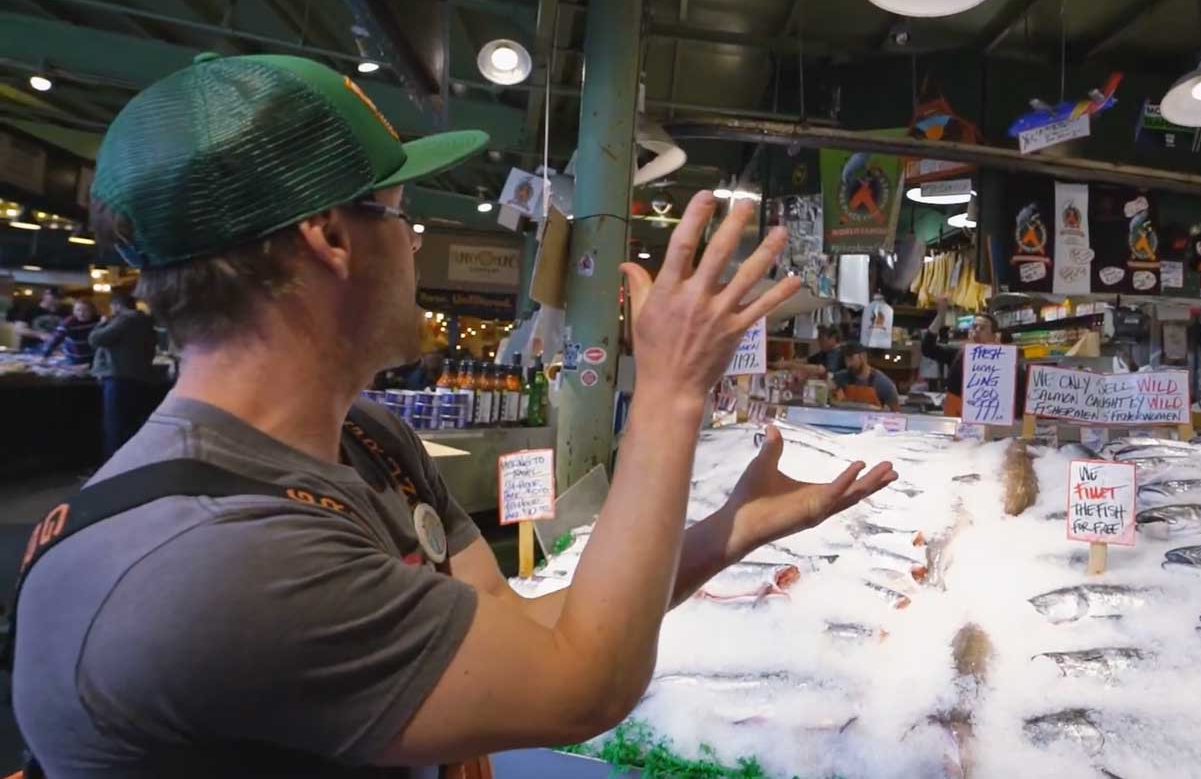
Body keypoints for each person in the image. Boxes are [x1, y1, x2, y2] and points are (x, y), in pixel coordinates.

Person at [12, 53, 897, 777]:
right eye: (397, 211)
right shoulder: (215, 559)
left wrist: (727, 529)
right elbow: (579, 687)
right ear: (328, 238)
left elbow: (529, 638)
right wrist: (669, 390)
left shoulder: (369, 439)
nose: (417, 237)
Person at [89, 291, 161, 458]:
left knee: (115, 426)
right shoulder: (145, 321)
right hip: (140, 377)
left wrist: (103, 323)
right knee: (131, 425)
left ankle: (112, 469)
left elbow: (95, 339)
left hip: (119, 377)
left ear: (116, 306)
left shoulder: (125, 320)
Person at [921, 297, 1002, 417]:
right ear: (969, 332)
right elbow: (927, 348)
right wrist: (940, 316)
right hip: (956, 418)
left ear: (995, 336)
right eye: (974, 327)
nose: (977, 330)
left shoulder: (1003, 360)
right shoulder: (957, 354)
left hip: (991, 416)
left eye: (983, 327)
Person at [830, 341, 900, 412]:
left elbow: (896, 413)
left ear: (863, 356)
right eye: (846, 359)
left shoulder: (883, 384)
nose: (848, 364)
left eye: (851, 359)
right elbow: (831, 402)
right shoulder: (840, 378)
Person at [39, 298, 98, 365]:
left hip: (93, 358)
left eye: (86, 310)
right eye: (78, 310)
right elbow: (56, 339)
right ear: (73, 311)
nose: (81, 313)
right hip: (73, 359)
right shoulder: (69, 322)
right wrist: (44, 356)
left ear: (92, 311)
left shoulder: (98, 320)